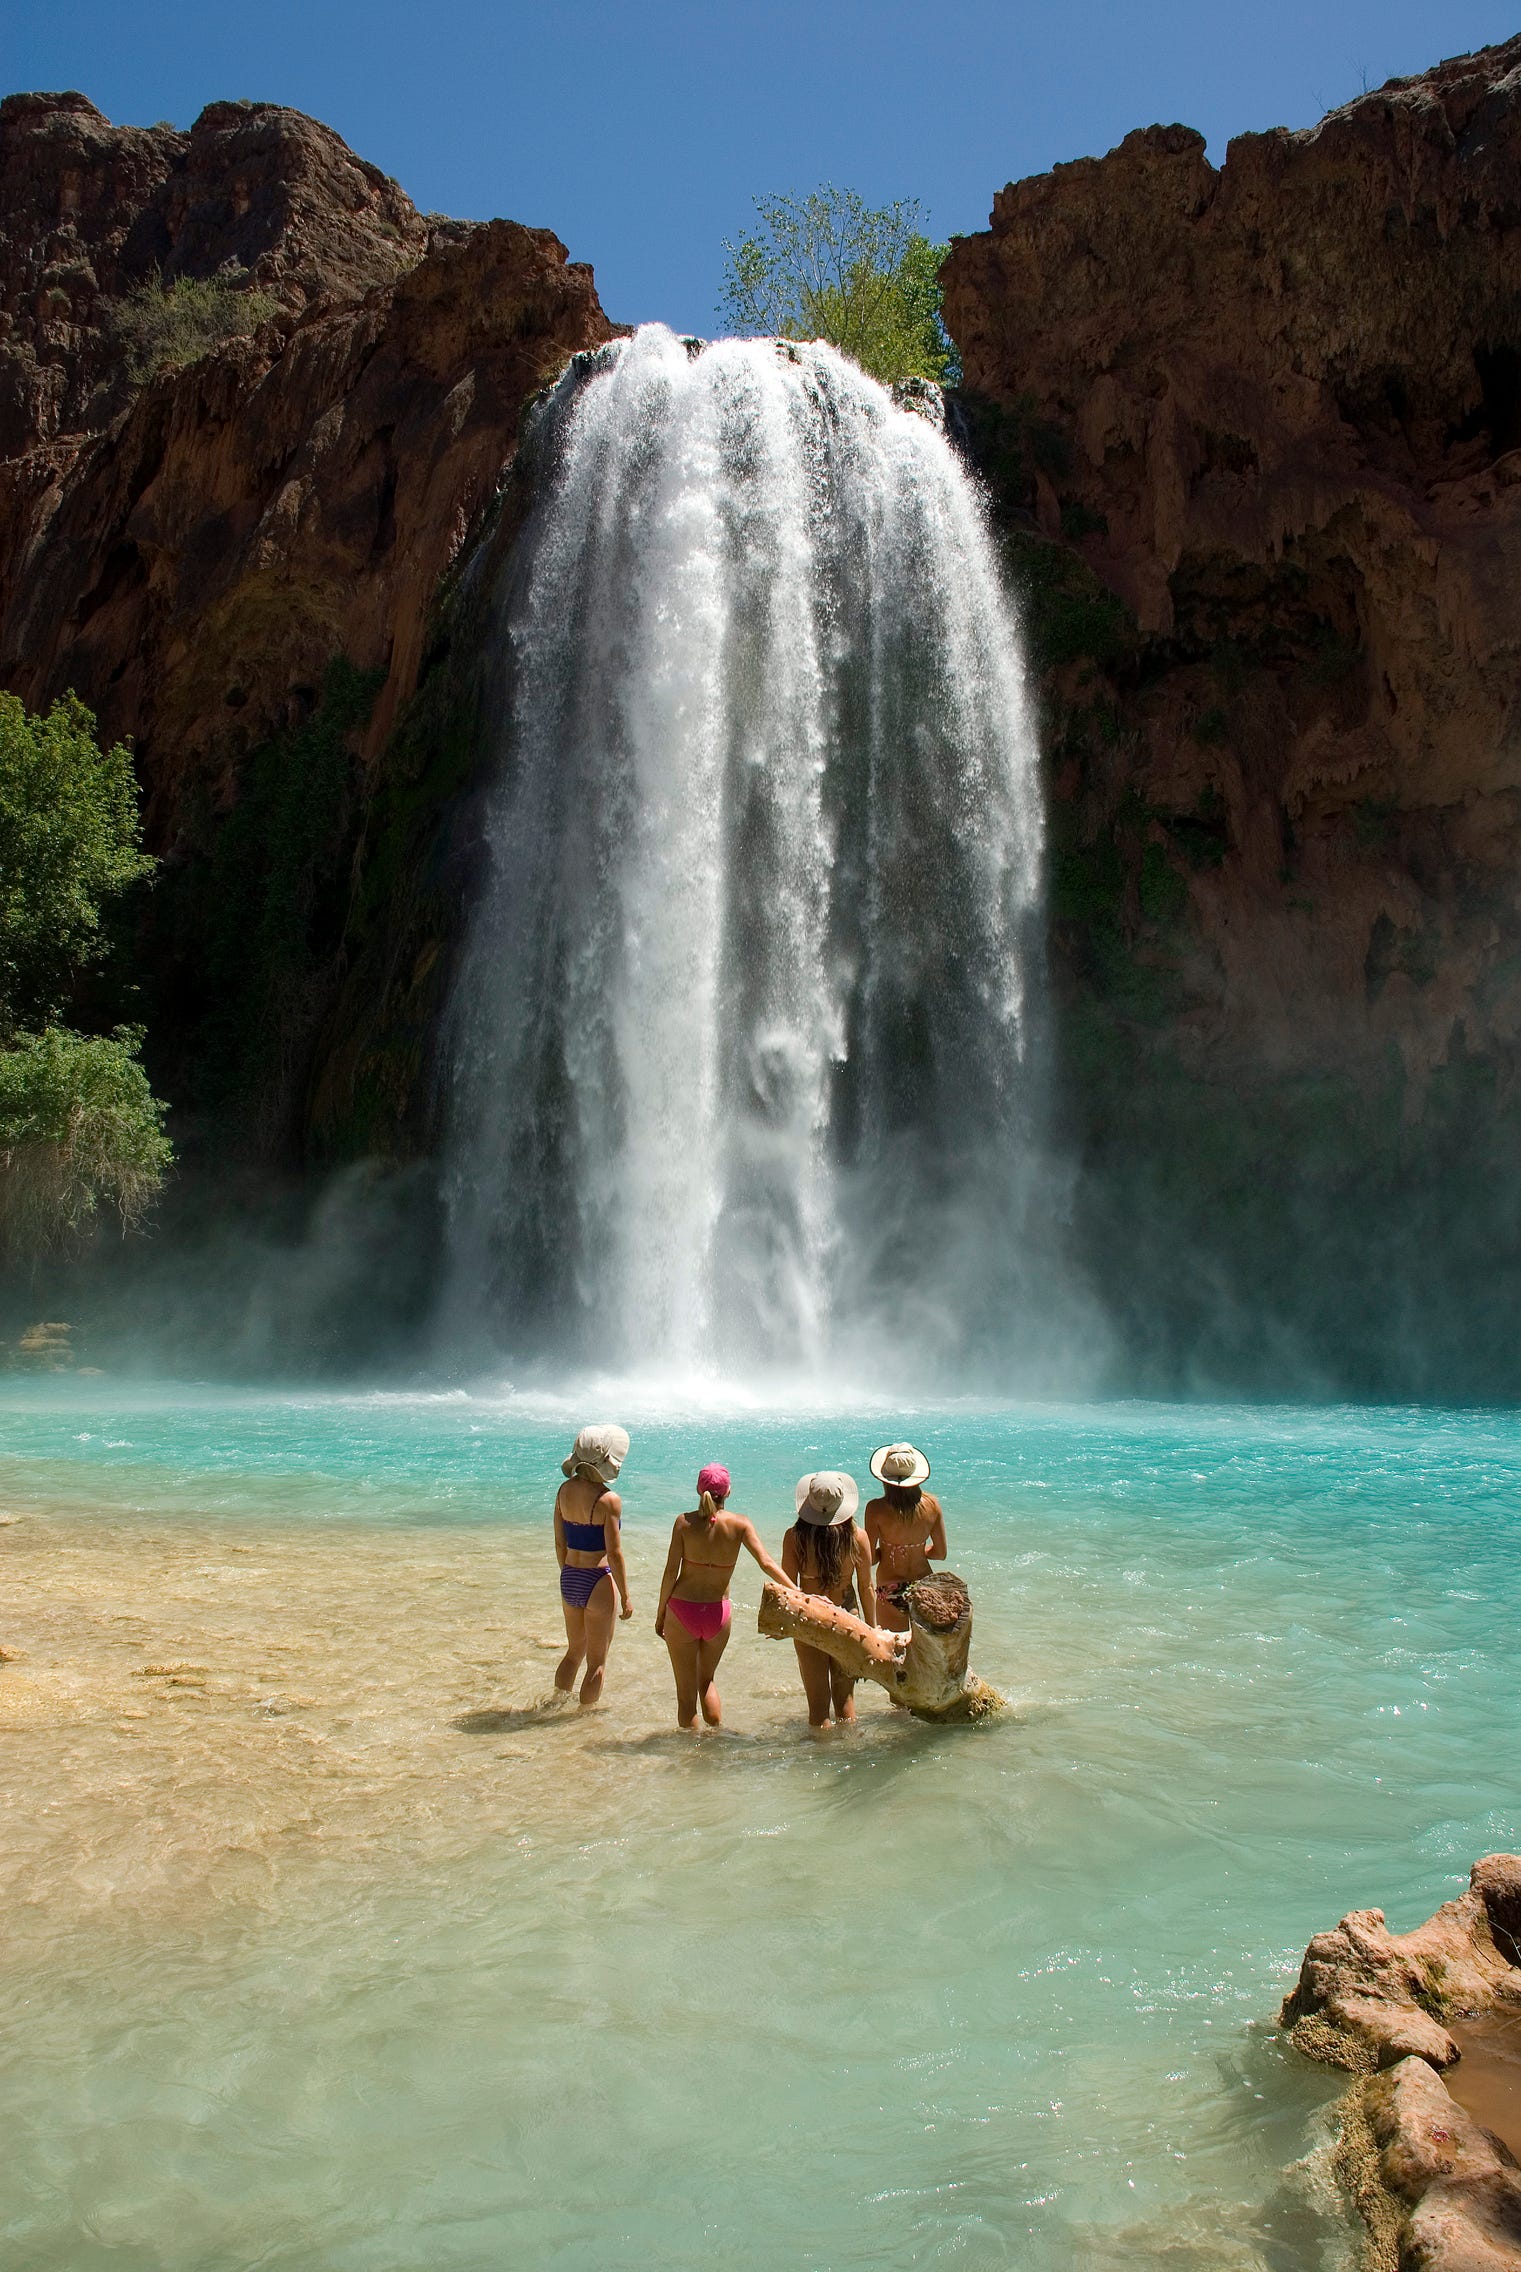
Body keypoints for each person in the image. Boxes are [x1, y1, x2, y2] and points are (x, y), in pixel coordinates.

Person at [655, 1463, 795, 1731]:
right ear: (728, 1491)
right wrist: (795, 1590)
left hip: (683, 1610)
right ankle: (715, 1741)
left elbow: (670, 1572)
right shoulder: (740, 1524)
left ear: (699, 1490)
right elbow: (766, 1562)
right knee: (706, 1681)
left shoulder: (684, 1523)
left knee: (685, 1698)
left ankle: (691, 1757)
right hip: (718, 1614)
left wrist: (661, 1613)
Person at [781, 1471, 877, 1733]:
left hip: (810, 1619)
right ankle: (850, 1756)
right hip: (847, 1617)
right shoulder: (857, 1537)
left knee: (818, 1707)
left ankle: (820, 1761)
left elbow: (787, 1588)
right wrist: (872, 1629)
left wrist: (782, 1626)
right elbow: (866, 1587)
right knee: (846, 1703)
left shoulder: (794, 1537)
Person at [553, 1424, 632, 1706]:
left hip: (570, 1576)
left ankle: (556, 1702)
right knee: (597, 1662)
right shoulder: (609, 1500)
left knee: (574, 1652)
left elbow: (560, 1543)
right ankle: (583, 1721)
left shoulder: (564, 1490)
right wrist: (625, 1596)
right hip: (597, 1579)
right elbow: (615, 1553)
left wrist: (568, 1574)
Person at [862, 1442, 946, 1633]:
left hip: (890, 1590)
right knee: (925, 1654)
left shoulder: (875, 1509)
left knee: (894, 1652)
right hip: (925, 1587)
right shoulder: (932, 1506)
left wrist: (887, 1550)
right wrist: (916, 1549)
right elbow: (940, 1553)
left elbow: (870, 1558)